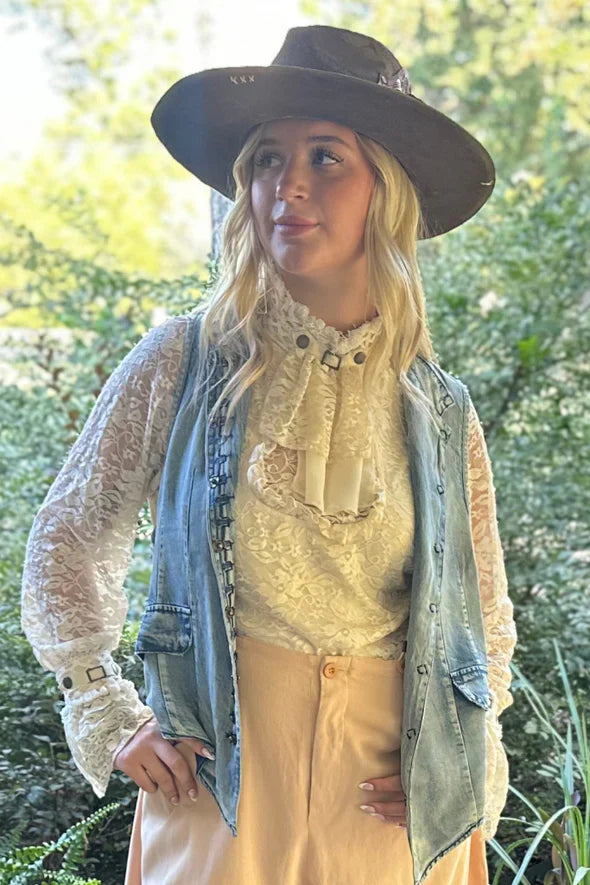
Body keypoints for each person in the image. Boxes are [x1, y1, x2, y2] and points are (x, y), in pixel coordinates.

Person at [20, 24, 518, 885]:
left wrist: (470, 751)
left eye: (326, 157)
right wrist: (101, 703)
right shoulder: (181, 361)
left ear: (386, 190)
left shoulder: (440, 409)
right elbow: (69, 532)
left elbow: (487, 614)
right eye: (266, 160)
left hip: (392, 800)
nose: (288, 185)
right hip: (217, 778)